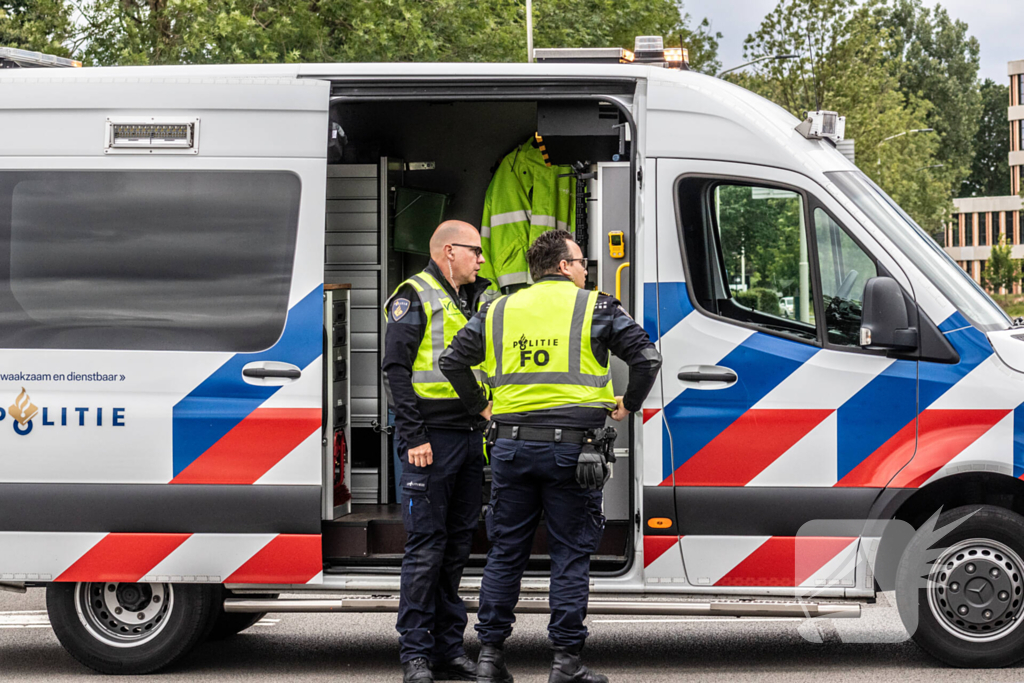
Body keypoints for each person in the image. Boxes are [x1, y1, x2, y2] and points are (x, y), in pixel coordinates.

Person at [439, 230, 662, 683]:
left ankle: (489, 658)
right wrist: (629, 404)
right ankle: (565, 662)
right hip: (573, 452)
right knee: (569, 555)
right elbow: (647, 358)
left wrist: (480, 406)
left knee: (506, 553)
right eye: (581, 262)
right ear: (563, 266)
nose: (585, 270)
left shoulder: (497, 308)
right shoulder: (595, 306)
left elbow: (451, 361)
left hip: (510, 447)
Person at [383, 220, 494, 683]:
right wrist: (415, 438)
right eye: (475, 252)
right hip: (430, 439)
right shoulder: (413, 295)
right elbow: (396, 370)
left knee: (456, 550)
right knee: (426, 549)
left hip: (470, 438)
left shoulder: (478, 297)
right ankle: (416, 655)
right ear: (450, 251)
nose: (482, 260)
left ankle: (449, 650)